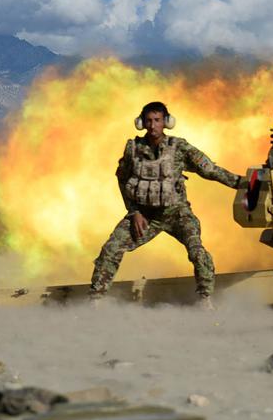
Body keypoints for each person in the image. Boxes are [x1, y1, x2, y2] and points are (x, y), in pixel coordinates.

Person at [89, 101, 245, 308]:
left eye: (157, 120)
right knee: (111, 248)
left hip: (177, 213)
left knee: (197, 251)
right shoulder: (133, 150)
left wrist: (242, 183)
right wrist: (134, 211)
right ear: (141, 123)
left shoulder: (179, 148)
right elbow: (123, 180)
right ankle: (96, 300)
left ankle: (205, 298)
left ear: (167, 123)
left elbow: (210, 170)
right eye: (148, 121)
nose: (153, 125)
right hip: (145, 217)